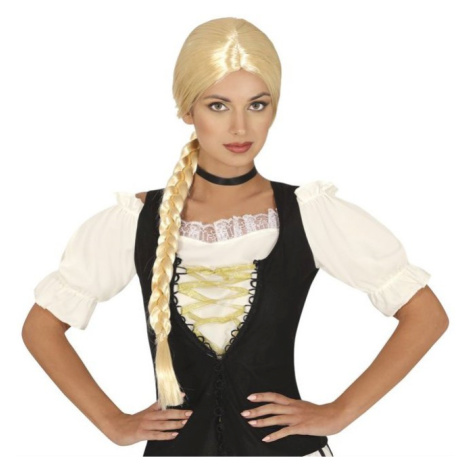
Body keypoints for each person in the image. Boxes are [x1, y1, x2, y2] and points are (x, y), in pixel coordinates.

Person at [22, 17, 449, 457]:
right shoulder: (136, 220)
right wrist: (113, 424)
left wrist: (339, 413)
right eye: (218, 106)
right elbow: (41, 328)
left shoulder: (309, 214)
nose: (241, 128)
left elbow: (426, 315)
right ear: (187, 110)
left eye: (257, 105)